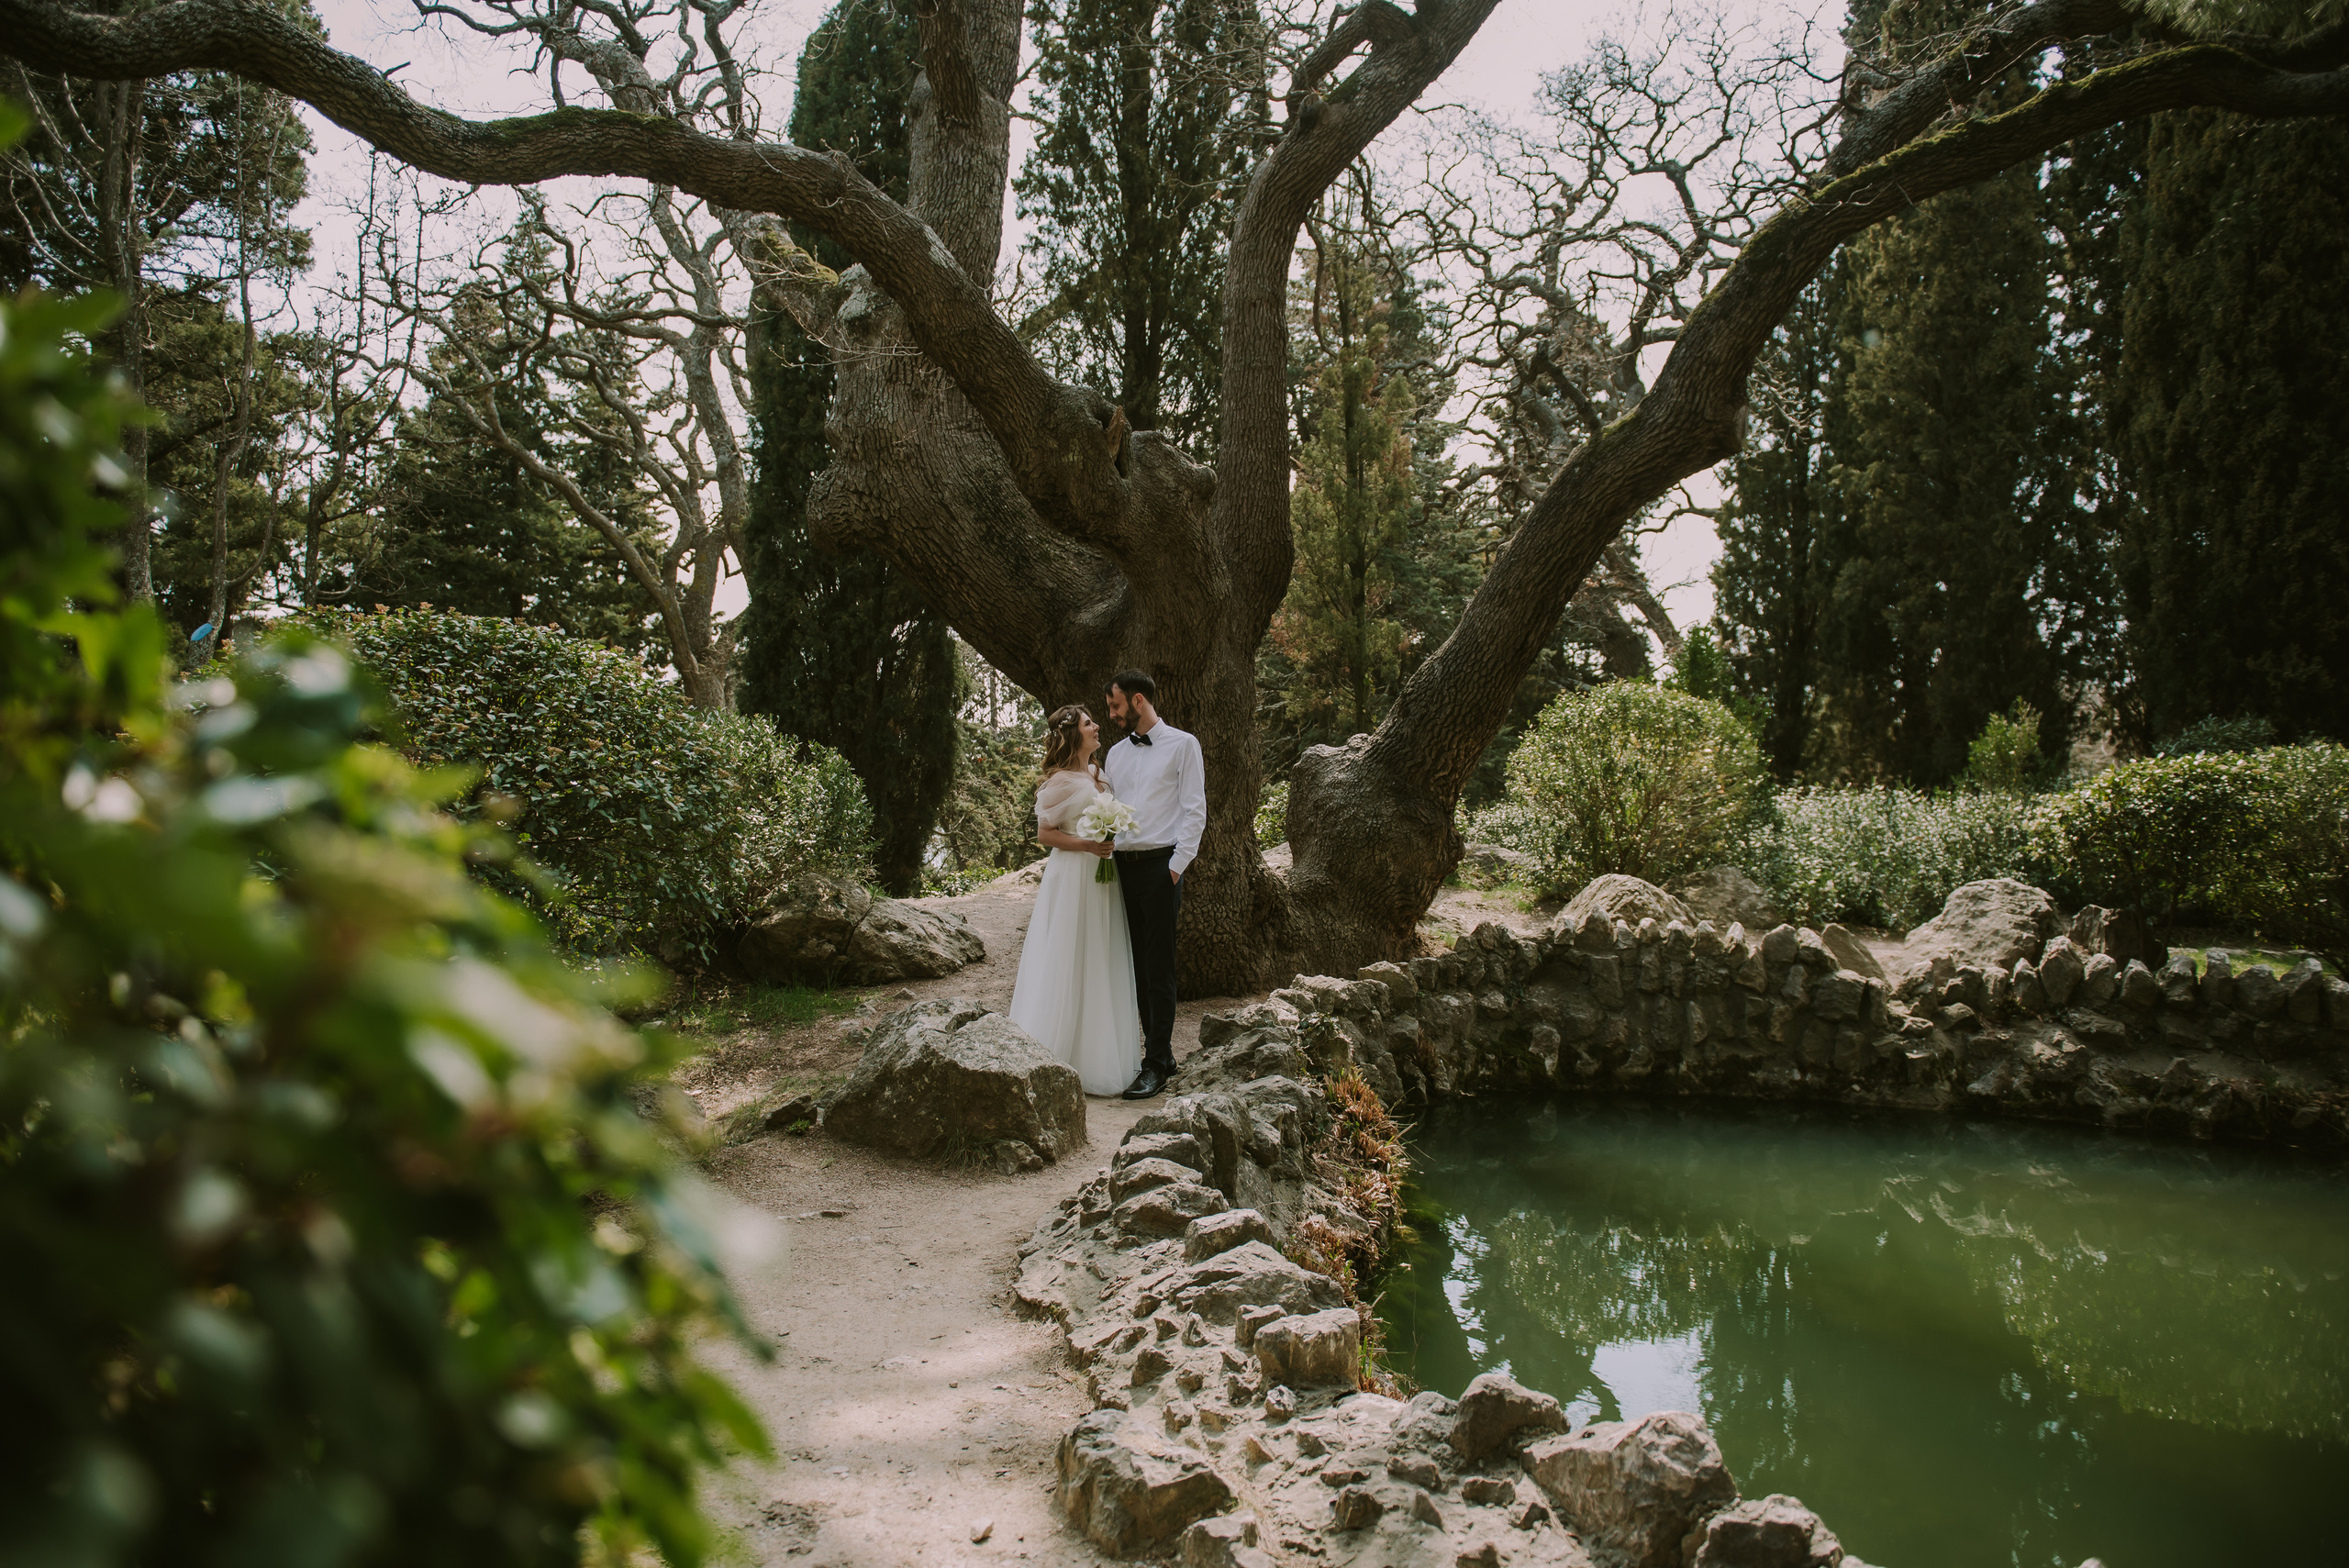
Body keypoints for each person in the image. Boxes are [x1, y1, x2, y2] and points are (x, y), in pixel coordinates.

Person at [1007, 704, 1142, 1096]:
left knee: (1100, 952)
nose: (1096, 726)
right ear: (1073, 734)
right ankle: (1053, 1050)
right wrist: (1087, 844)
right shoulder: (1061, 781)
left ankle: (1095, 1057)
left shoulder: (1100, 775)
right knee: (1068, 954)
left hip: (1103, 878)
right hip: (1072, 876)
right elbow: (1045, 834)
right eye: (1088, 724)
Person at [1099, 669, 1205, 1100]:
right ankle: (1159, 1053)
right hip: (1121, 869)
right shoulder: (1115, 755)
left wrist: (1176, 868)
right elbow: (1109, 809)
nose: (1112, 714)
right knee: (1136, 965)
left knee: (1158, 966)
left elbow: (1195, 811)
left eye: (1116, 705)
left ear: (1138, 701)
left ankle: (1157, 1063)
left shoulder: (1184, 745)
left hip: (1162, 869)